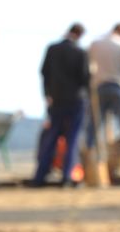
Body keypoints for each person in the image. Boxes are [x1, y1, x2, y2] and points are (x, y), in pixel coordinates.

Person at [31, 25, 90, 187]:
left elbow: (43, 73)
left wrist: (47, 95)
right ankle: (67, 177)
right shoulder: (80, 52)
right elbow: (85, 79)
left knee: (51, 138)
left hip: (55, 100)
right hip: (75, 101)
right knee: (72, 139)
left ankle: (39, 177)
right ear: (79, 35)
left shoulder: (52, 49)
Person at [90, 23, 120, 167]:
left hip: (100, 86)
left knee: (95, 126)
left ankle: (94, 162)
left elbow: (91, 66)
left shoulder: (96, 43)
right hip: (119, 86)